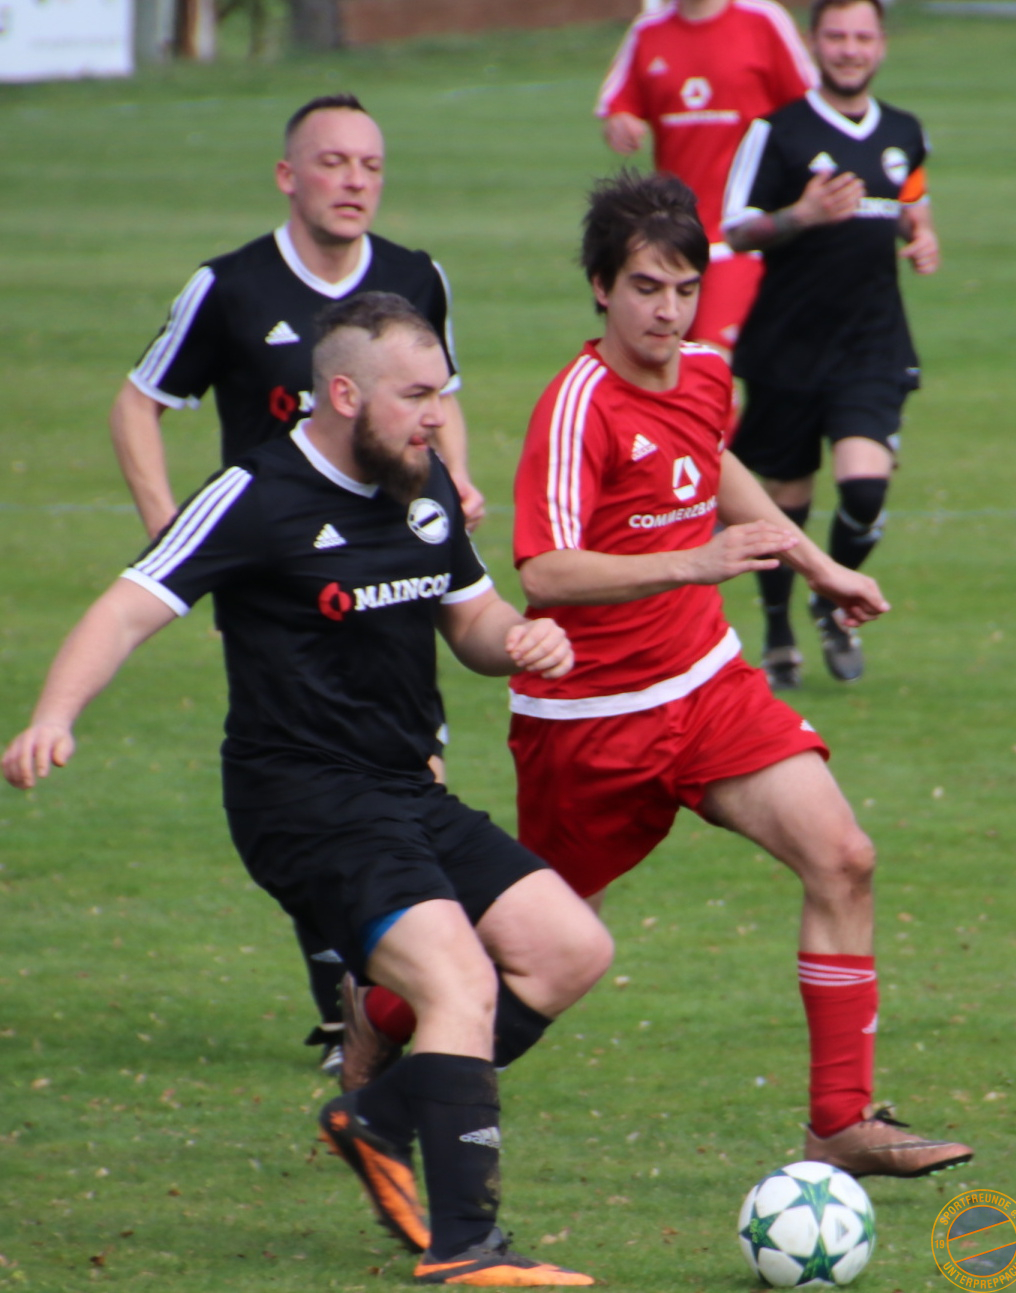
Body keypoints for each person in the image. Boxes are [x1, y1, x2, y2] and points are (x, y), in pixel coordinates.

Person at [4, 293, 611, 1287]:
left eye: (440, 392)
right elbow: (124, 609)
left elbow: (472, 620)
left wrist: (521, 640)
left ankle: (375, 1118)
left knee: (569, 950)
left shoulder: (420, 484)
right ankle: (466, 1247)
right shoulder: (255, 492)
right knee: (458, 983)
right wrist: (53, 717)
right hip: (303, 801)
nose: (435, 416)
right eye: (415, 395)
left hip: (404, 787)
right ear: (343, 393)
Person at [505, 169, 971, 1179]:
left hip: (706, 687)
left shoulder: (705, 372)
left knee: (842, 856)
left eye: (684, 289)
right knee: (534, 942)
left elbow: (713, 462)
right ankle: (381, 1019)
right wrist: (694, 561)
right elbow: (543, 570)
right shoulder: (576, 407)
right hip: (592, 717)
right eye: (644, 288)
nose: (666, 312)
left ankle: (839, 1121)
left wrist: (817, 564)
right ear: (600, 287)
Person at [110, 92, 486, 1074]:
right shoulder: (230, 287)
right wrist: (174, 536)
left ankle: (376, 999)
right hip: (278, 576)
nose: (353, 181)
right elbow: (138, 403)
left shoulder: (416, 277)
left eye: (370, 164)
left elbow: (439, 396)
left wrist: (455, 482)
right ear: (288, 176)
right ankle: (358, 1000)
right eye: (331, 162)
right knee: (312, 766)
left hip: (391, 563)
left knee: (412, 762)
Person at [722, 0, 938, 688]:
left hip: (873, 343)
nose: (850, 49)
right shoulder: (777, 131)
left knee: (865, 487)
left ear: (881, 45)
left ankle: (831, 601)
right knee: (782, 499)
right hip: (788, 345)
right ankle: (779, 628)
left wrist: (922, 235)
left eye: (862, 36)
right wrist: (803, 214)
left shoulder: (904, 131)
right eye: (837, 36)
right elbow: (735, 229)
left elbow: (910, 203)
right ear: (815, 43)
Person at [595, 0, 816, 357]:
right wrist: (620, 123)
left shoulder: (762, 20)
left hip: (742, 235)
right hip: (675, 239)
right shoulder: (649, 31)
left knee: (709, 360)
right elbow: (618, 106)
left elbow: (811, 110)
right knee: (671, 362)